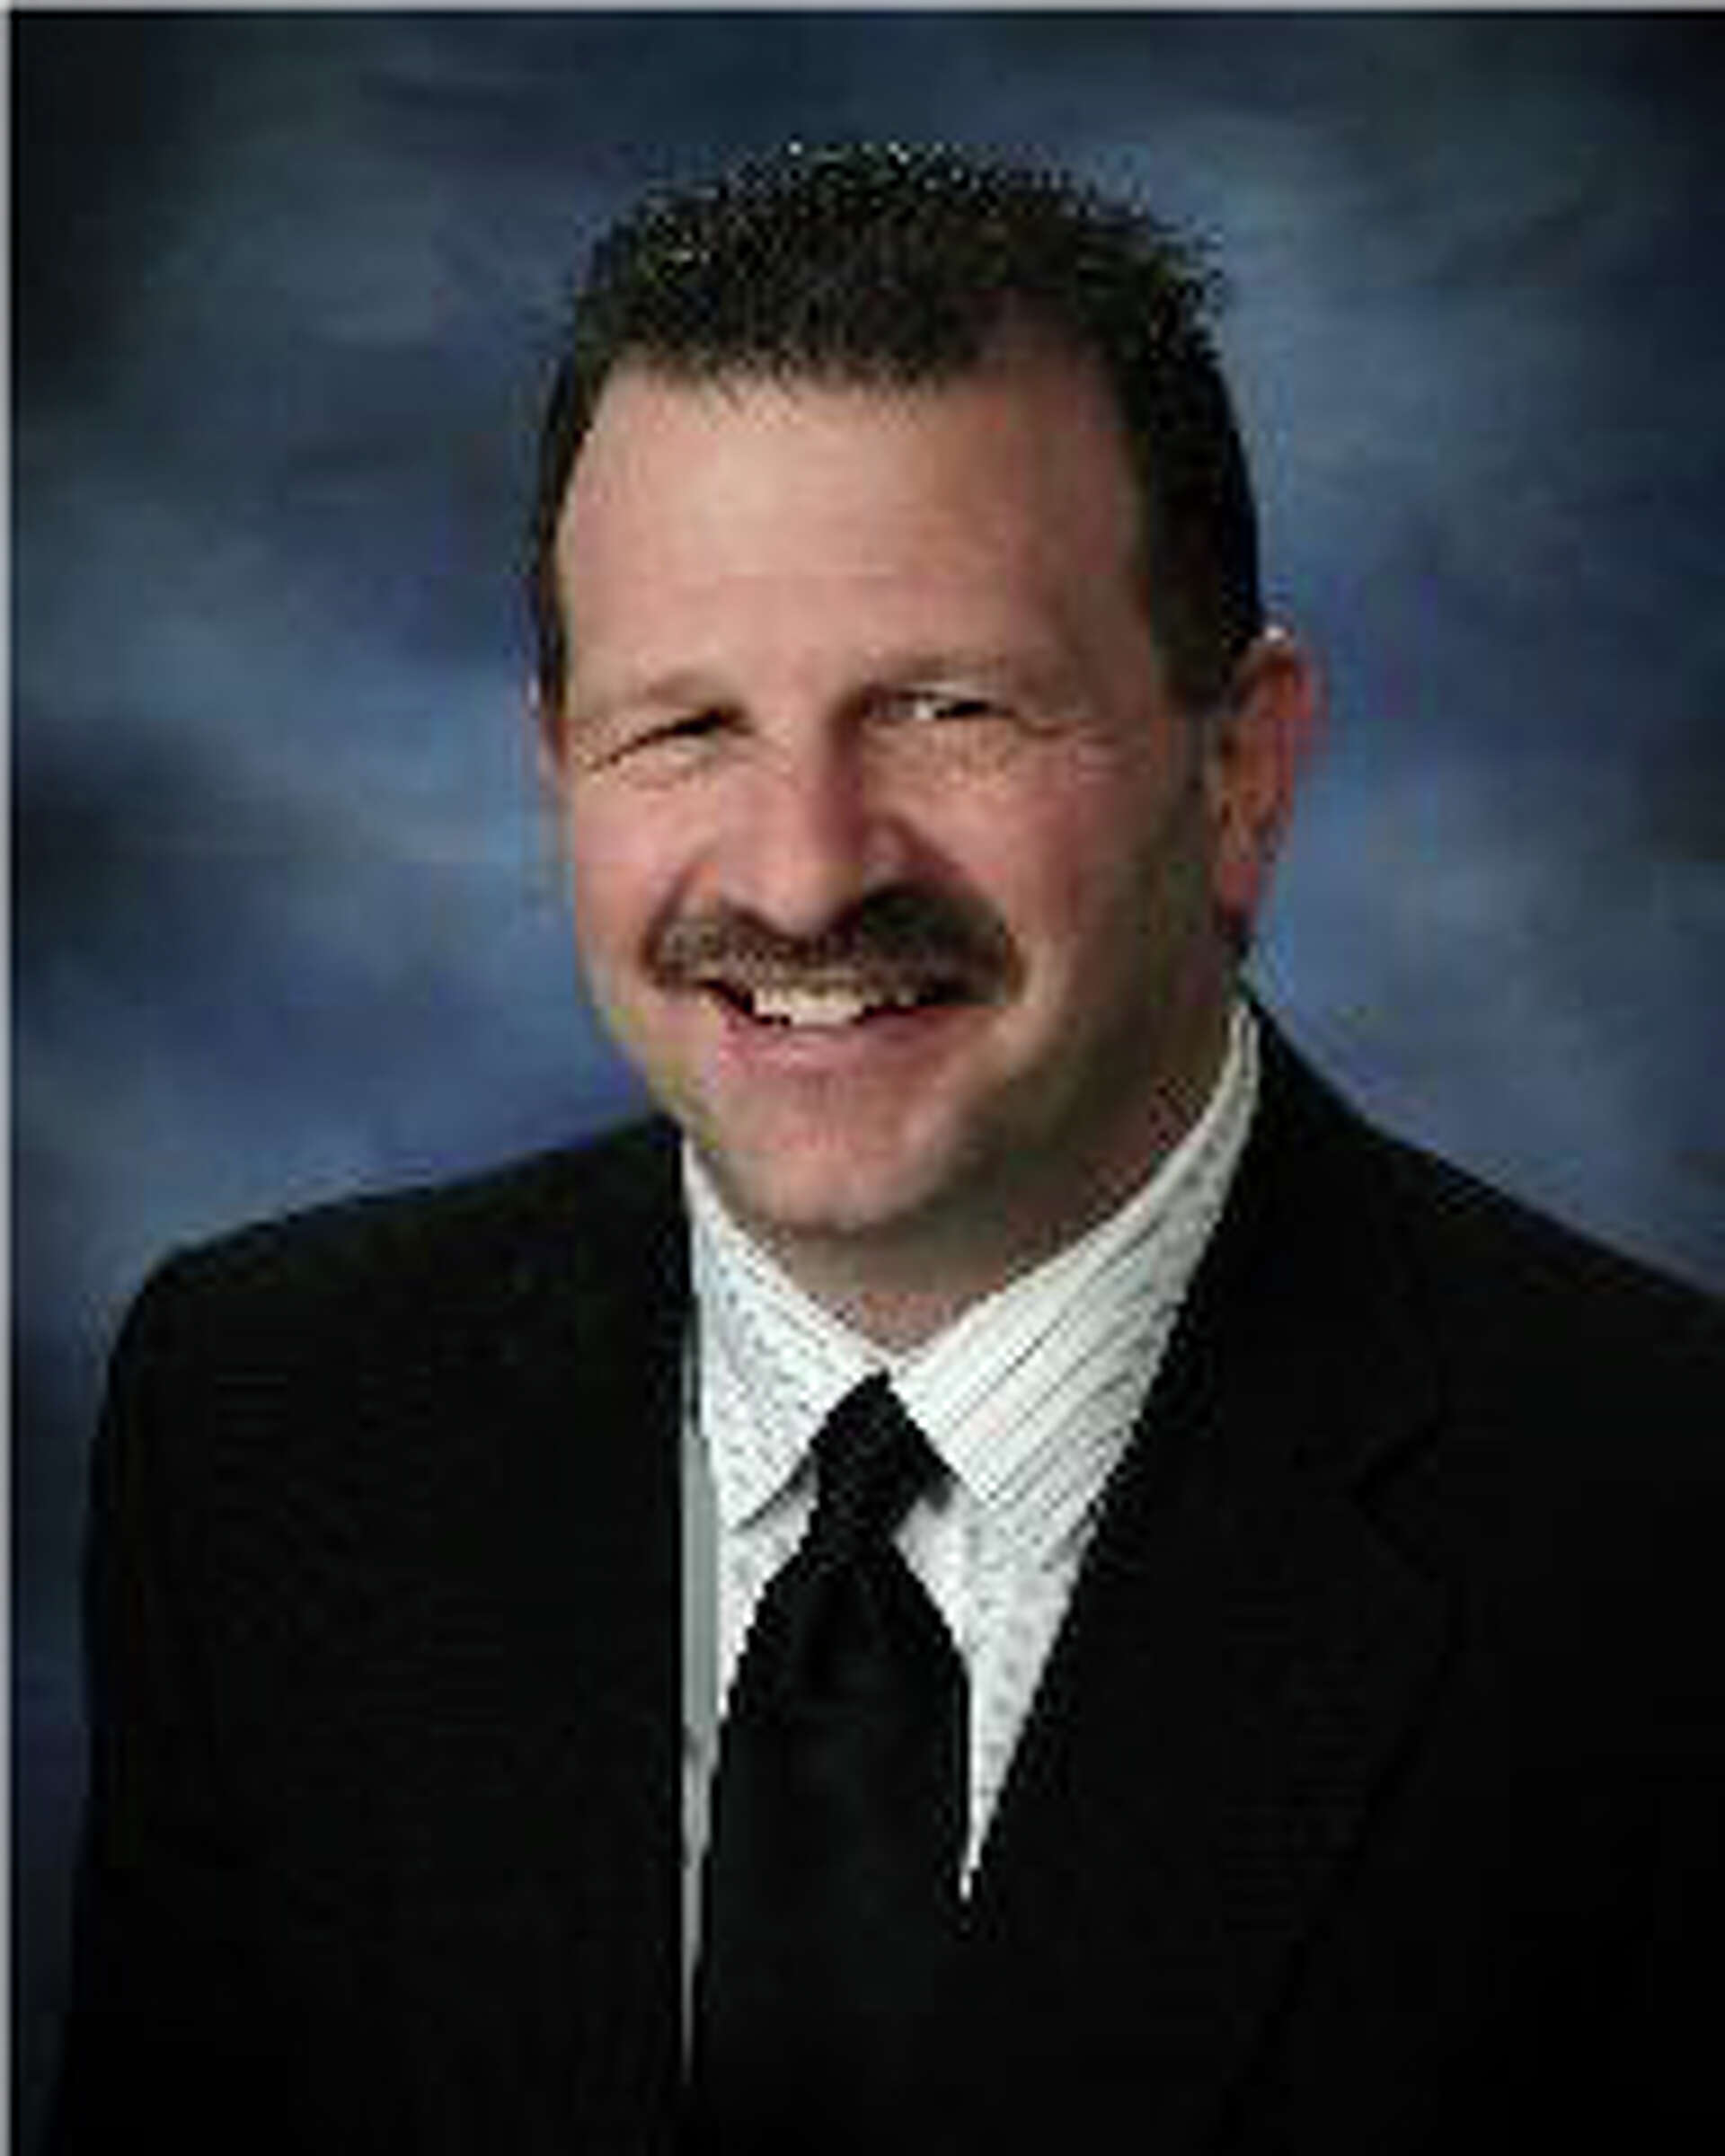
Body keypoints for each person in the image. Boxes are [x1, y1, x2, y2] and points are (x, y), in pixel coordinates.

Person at [49, 144, 1724, 2154]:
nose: (803, 873)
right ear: (558, 766)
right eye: (685, 726)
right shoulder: (266, 1429)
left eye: (947, 708)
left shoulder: (1660, 1535)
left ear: (1240, 770)